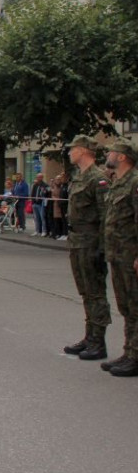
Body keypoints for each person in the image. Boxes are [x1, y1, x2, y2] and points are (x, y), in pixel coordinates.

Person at [62, 135, 111, 360]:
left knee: (95, 293)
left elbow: (105, 216)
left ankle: (98, 341)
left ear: (83, 151)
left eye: (73, 149)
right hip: (77, 242)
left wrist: (103, 247)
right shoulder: (79, 177)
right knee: (85, 292)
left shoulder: (98, 178)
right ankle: (89, 336)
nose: (70, 153)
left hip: (91, 243)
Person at [100, 142, 138, 376]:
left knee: (135, 306)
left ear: (122, 157)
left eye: (112, 152)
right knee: (126, 306)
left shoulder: (134, 182)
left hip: (130, 254)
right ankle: (129, 351)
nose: (108, 154)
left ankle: (135, 356)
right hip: (118, 254)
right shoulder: (118, 183)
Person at [30, 173, 50, 237]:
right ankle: (37, 231)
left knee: (42, 218)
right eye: (38, 177)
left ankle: (44, 231)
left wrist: (45, 191)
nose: (38, 178)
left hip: (41, 204)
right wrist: (32, 201)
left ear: (42, 178)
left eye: (40, 177)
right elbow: (32, 193)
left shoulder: (45, 185)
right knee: (36, 218)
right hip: (34, 203)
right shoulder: (35, 185)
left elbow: (48, 193)